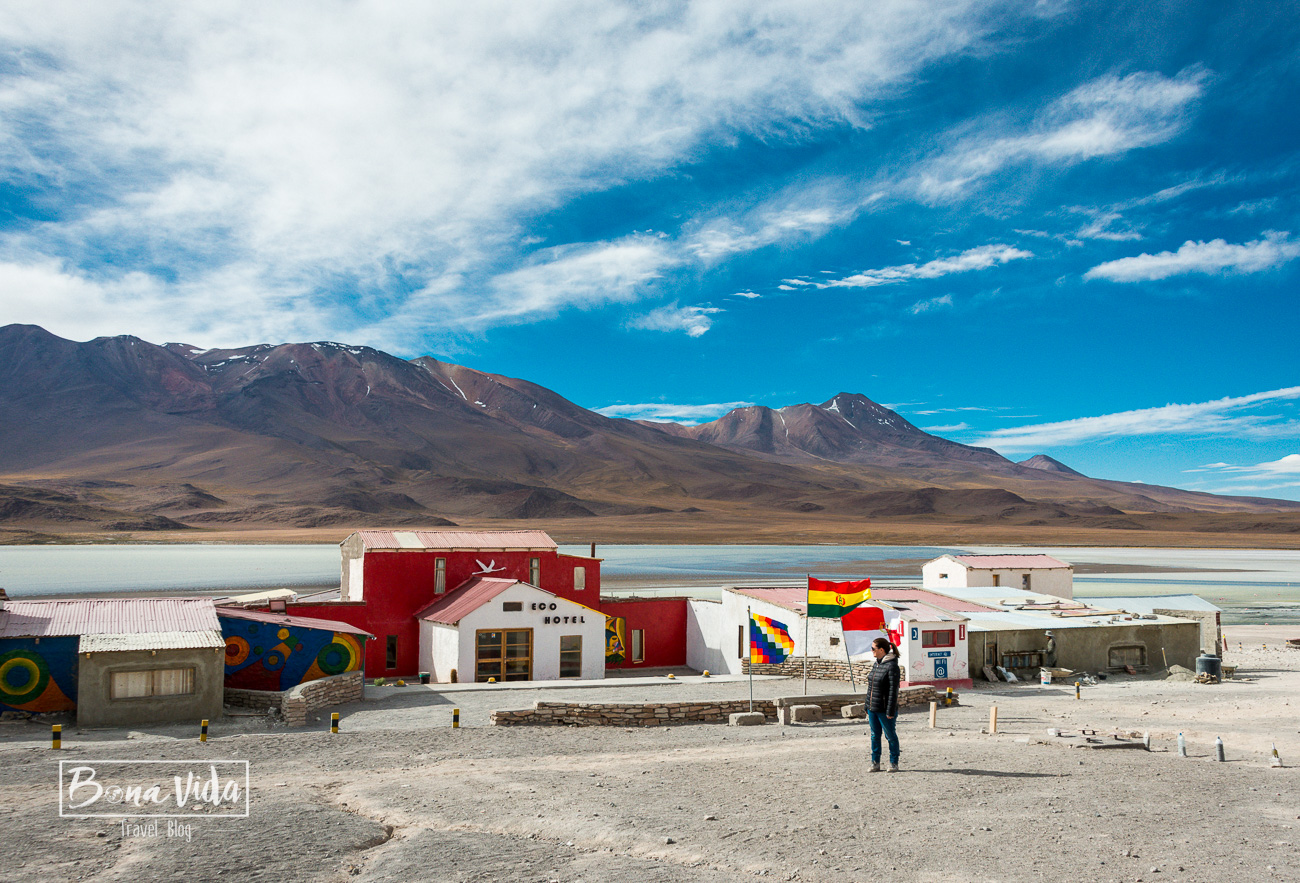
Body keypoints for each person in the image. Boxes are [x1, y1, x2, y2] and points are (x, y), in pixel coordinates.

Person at [865, 636, 901, 772]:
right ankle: (875, 762)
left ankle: (894, 762)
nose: (871, 651)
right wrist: (866, 705)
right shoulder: (877, 664)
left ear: (881, 649)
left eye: (873, 648)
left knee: (890, 736)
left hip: (885, 709)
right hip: (873, 708)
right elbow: (871, 687)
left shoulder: (892, 666)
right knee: (874, 736)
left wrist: (890, 711)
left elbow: (893, 690)